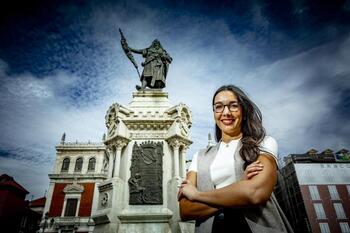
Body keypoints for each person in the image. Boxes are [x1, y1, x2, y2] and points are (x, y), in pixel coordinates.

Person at [178, 85, 294, 233]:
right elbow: (186, 210)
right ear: (214, 113)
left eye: (233, 106)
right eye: (218, 107)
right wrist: (239, 187)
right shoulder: (199, 156)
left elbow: (255, 193)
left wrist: (197, 195)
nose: (226, 112)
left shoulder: (263, 143)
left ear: (243, 111)